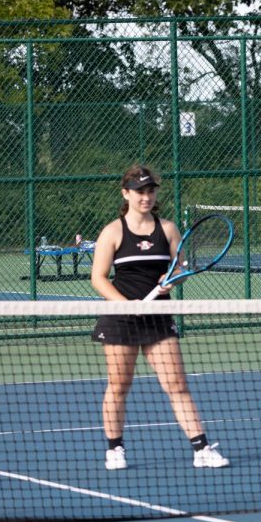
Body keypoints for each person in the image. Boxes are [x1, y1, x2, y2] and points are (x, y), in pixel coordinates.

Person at [91, 165, 229, 470]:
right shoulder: (112, 232)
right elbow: (99, 278)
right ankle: (115, 449)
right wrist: (126, 305)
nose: (146, 197)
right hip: (121, 319)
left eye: (151, 191)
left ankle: (201, 449)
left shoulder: (167, 229)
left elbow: (179, 270)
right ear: (126, 194)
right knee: (118, 385)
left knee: (176, 383)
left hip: (158, 316)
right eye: (140, 191)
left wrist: (175, 278)